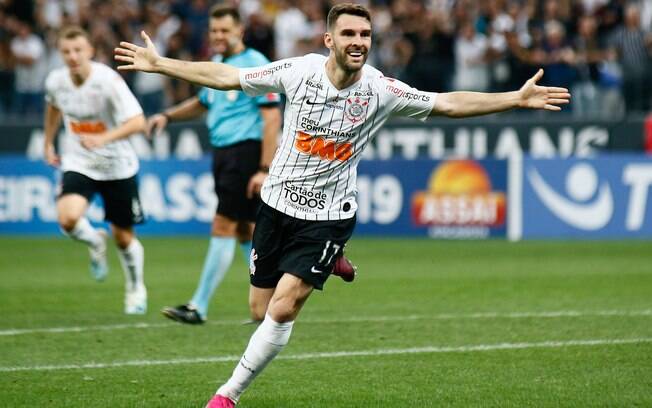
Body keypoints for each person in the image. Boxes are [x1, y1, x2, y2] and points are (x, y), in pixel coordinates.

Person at [114, 3, 570, 406]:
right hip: (275, 206)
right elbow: (228, 77)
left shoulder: (380, 89)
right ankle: (331, 264)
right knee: (259, 308)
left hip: (329, 216)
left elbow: (447, 103)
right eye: (349, 34)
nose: (359, 42)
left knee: (283, 308)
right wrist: (160, 65)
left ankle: (227, 395)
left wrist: (515, 98)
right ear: (329, 39)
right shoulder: (297, 72)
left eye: (366, 35)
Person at [147, 5, 283, 325]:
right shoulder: (220, 65)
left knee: (223, 224)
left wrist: (264, 168)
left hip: (245, 154)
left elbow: (272, 117)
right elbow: (202, 102)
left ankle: (199, 305)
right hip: (224, 155)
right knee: (244, 230)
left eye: (225, 30)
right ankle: (272, 300)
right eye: (214, 31)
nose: (219, 36)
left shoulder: (255, 65)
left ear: (240, 32)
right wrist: (168, 115)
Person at [45, 25, 148, 315]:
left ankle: (136, 287)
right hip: (80, 162)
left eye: (78, 50)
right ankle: (94, 240)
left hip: (117, 165)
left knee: (124, 238)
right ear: (60, 54)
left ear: (90, 51)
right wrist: (47, 142)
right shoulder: (56, 81)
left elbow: (138, 122)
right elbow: (53, 106)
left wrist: (103, 138)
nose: (73, 56)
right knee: (67, 219)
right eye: (66, 51)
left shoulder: (108, 82)